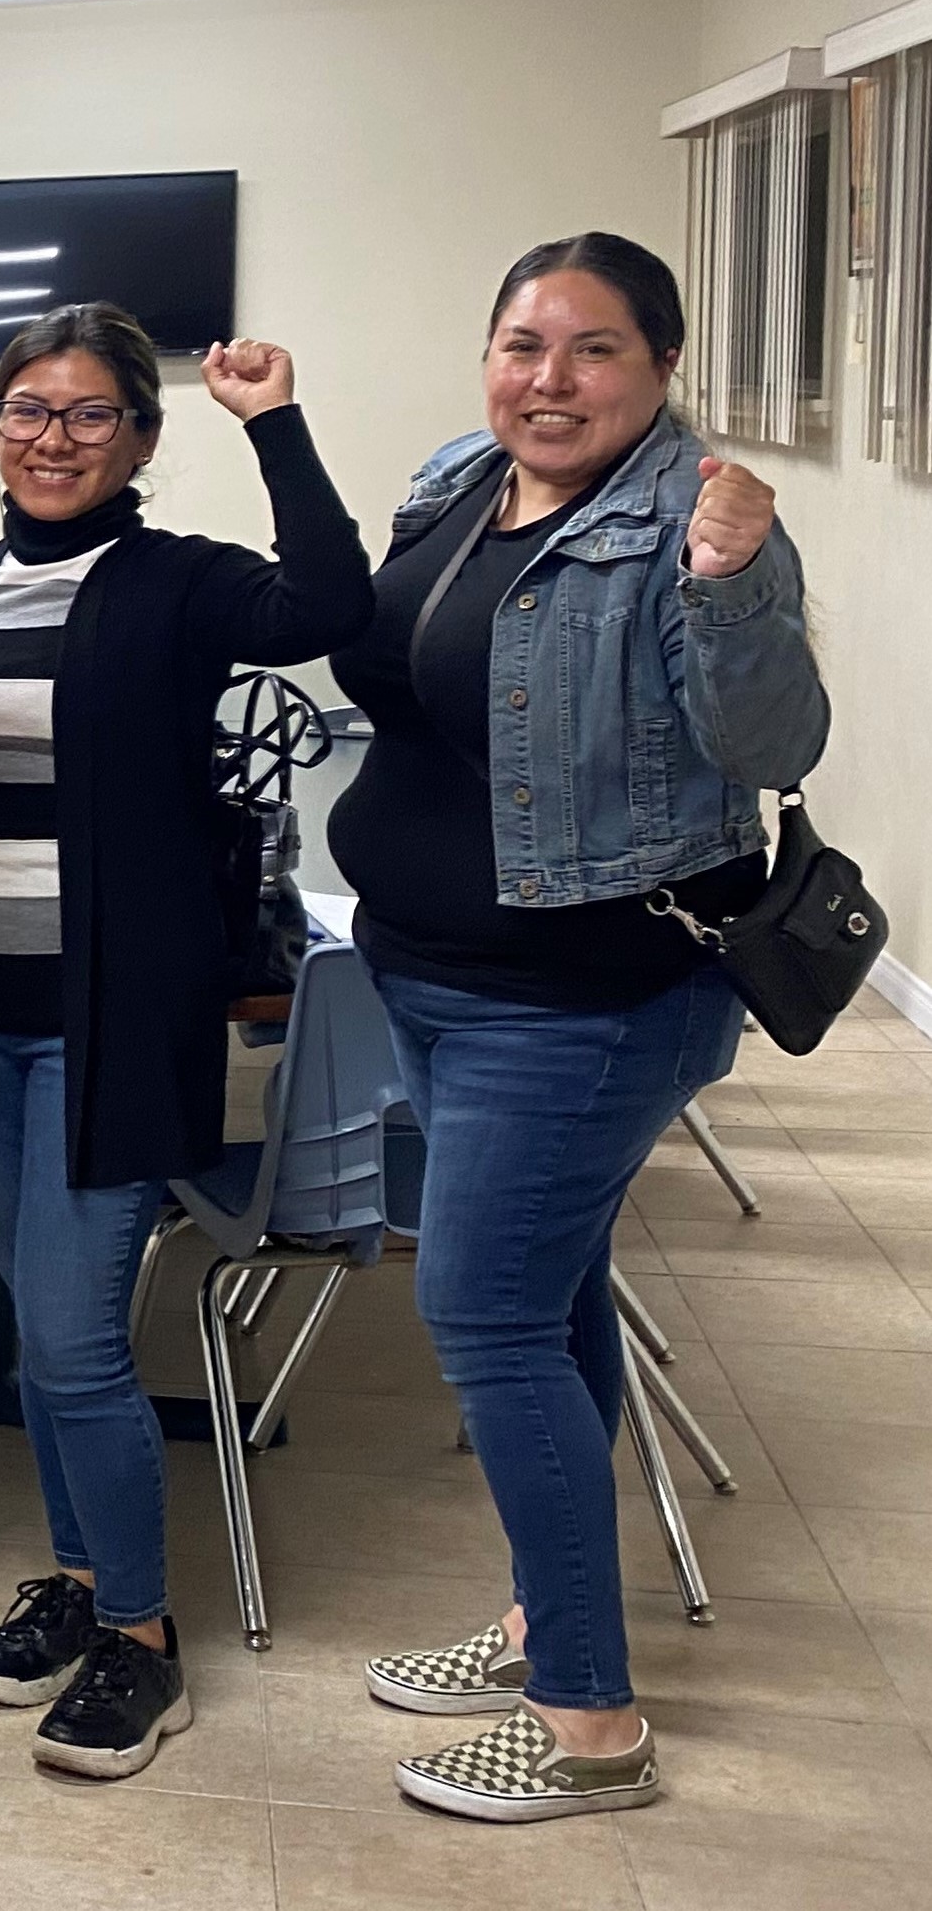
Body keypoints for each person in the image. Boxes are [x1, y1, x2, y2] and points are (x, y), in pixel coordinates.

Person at [0, 304, 372, 1780]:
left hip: (107, 1026)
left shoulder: (178, 587)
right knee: (44, 1344)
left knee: (71, 1346)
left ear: (138, 436)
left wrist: (276, 421)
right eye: (27, 411)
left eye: (87, 415)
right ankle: (77, 1582)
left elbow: (331, 601)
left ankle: (139, 1634)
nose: (53, 437)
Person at [333, 233, 824, 1822]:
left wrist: (739, 585)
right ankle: (551, 1614)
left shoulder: (698, 517)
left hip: (584, 1000)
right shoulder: (459, 475)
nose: (551, 380)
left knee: (480, 1318)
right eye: (524, 344)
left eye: (594, 349)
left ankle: (588, 1722)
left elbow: (776, 738)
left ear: (663, 367)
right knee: (546, 1304)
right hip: (431, 971)